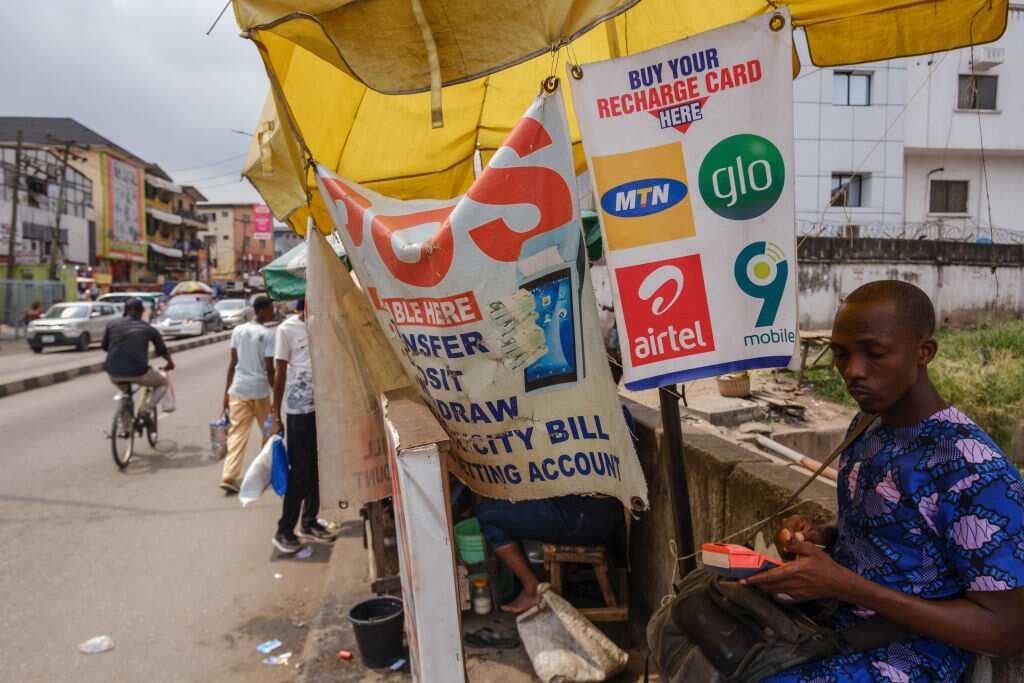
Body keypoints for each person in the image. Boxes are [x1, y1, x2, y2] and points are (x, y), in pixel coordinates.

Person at [745, 280, 1024, 682]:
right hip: (834, 627)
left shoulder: (973, 469)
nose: (853, 372)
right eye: (841, 354)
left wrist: (848, 586)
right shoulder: (867, 426)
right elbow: (897, 530)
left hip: (908, 654)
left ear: (923, 353)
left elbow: (1006, 629)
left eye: (874, 354)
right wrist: (823, 536)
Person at [475, 494, 623, 614]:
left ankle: (532, 589)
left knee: (488, 514)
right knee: (499, 503)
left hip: (584, 516)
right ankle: (538, 582)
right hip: (602, 511)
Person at [270, 299, 333, 553]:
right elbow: (280, 374)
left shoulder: (322, 326)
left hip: (322, 410)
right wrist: (276, 416)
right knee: (300, 472)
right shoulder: (286, 330)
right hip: (298, 412)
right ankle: (284, 529)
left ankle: (309, 520)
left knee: (317, 467)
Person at [219, 294, 276, 494]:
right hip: (260, 391)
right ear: (261, 310)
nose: (273, 312)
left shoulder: (238, 331)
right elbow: (270, 368)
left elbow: (232, 364)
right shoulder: (267, 335)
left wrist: (226, 393)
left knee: (236, 434)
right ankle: (262, 473)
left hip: (238, 389)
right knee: (269, 433)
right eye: (270, 309)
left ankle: (229, 475)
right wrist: (275, 394)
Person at [102, 298, 174, 416]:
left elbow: (104, 347)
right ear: (141, 312)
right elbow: (162, 350)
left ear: (125, 311)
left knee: (125, 393)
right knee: (162, 383)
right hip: (139, 373)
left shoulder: (111, 325)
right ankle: (146, 410)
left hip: (113, 373)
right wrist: (170, 363)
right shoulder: (148, 328)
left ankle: (124, 430)